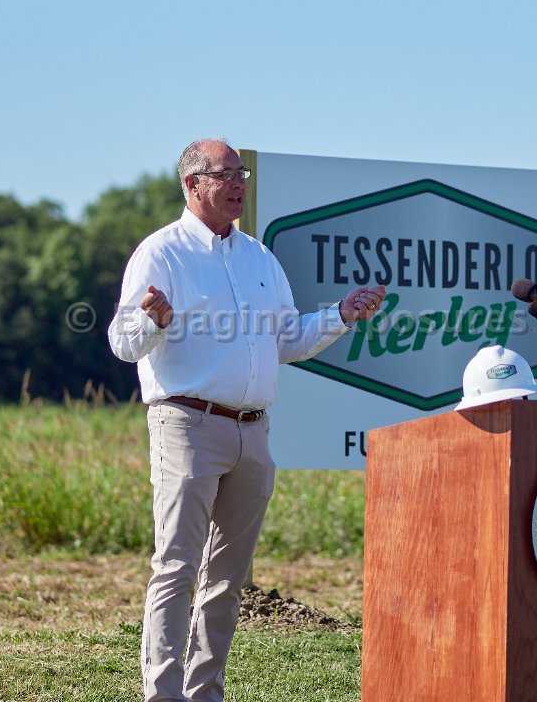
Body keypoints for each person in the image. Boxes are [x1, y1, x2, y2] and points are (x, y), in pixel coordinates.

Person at [108, 138, 385, 702]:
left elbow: (286, 339)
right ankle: (164, 694)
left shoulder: (259, 257)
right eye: (225, 174)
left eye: (242, 174)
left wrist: (340, 314)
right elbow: (122, 341)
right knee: (176, 567)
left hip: (253, 431)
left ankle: (204, 692)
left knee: (227, 579)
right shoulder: (161, 253)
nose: (238, 184)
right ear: (192, 184)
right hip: (187, 426)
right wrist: (153, 322)